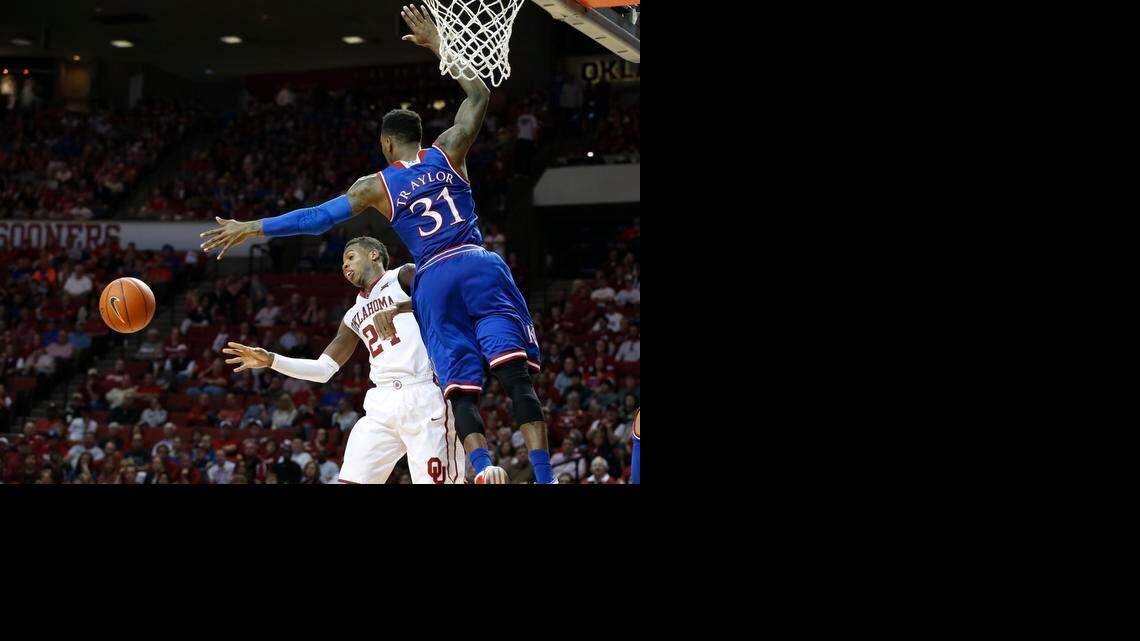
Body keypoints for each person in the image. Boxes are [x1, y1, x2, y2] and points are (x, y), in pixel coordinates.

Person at [200, 5, 554, 484]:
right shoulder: (449, 150)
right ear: (419, 137)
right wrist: (441, 46)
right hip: (475, 261)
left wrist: (253, 226)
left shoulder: (376, 186)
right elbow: (479, 94)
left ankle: (481, 464)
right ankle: (540, 473)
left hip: (433, 278)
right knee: (515, 376)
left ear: (387, 145)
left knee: (460, 392)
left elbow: (314, 219)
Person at [220, 237, 463, 484]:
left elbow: (445, 300)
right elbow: (323, 369)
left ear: (374, 255)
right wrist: (272, 360)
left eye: (350, 257)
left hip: (424, 393)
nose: (345, 265)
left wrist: (399, 308)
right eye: (342, 261)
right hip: (381, 403)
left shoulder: (403, 276)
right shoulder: (353, 315)